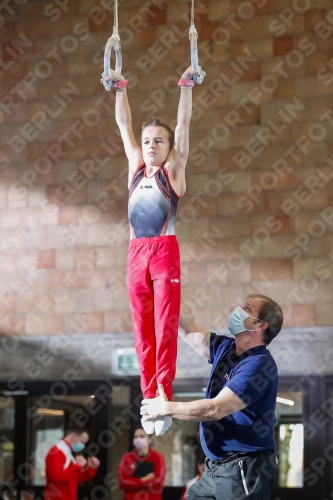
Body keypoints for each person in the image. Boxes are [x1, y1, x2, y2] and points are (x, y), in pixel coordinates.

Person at [102, 65, 201, 436]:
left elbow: (185, 125)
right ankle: (149, 398)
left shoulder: (173, 171)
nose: (151, 146)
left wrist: (186, 85)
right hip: (135, 254)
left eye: (159, 141)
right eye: (147, 141)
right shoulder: (135, 166)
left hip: (163, 251)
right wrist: (120, 88)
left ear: (169, 146)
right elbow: (122, 124)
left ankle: (164, 393)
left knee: (164, 324)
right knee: (142, 329)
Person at [141, 294, 284, 499]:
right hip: (214, 467)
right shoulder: (226, 349)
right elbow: (187, 328)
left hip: (244, 467)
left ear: (261, 326)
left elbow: (216, 409)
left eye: (247, 308)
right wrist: (167, 288)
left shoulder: (258, 365)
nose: (237, 309)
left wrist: (165, 408)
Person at [44, 427, 100, 500]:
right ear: (73, 435)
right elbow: (56, 476)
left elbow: (73, 478)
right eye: (81, 442)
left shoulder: (67, 453)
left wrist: (91, 468)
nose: (82, 446)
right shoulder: (57, 452)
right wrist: (77, 466)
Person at [118, 426, 166, 500]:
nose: (138, 439)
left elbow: (159, 482)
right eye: (136, 437)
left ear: (150, 440)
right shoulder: (127, 458)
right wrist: (143, 479)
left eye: (142, 436)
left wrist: (135, 482)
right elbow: (122, 482)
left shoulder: (158, 457)